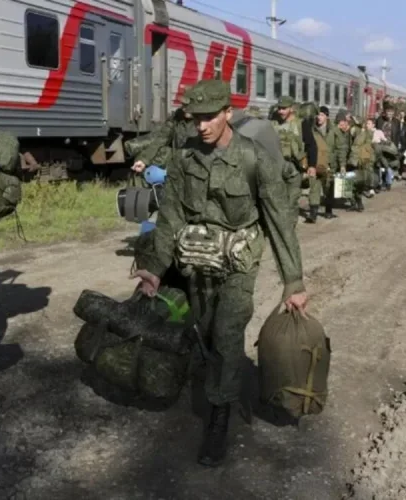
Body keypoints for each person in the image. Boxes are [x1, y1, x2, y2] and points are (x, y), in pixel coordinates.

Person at [131, 79, 307, 467]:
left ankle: (219, 418)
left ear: (228, 112)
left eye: (211, 117)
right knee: (206, 329)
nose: (203, 126)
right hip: (197, 259)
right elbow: (170, 216)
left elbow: (279, 222)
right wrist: (156, 269)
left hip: (238, 264)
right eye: (196, 119)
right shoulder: (183, 159)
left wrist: (293, 282)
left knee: (227, 334)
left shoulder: (255, 159)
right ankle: (217, 380)